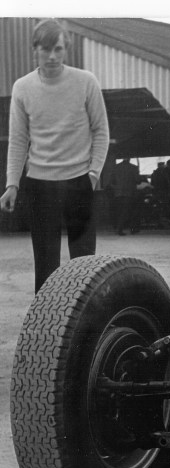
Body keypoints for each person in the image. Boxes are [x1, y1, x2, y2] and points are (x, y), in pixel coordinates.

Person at [0, 18, 109, 293]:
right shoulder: (22, 88)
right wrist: (12, 183)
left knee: (84, 267)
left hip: (79, 182)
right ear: (34, 49)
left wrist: (93, 174)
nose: (52, 56)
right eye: (45, 49)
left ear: (65, 50)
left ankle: (85, 327)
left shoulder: (86, 82)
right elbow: (18, 140)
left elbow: (101, 131)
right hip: (40, 185)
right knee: (46, 266)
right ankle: (46, 328)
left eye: (58, 49)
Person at [111, 157, 141, 236]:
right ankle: (132, 229)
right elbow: (137, 180)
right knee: (131, 211)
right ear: (129, 158)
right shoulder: (134, 167)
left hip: (118, 193)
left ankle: (118, 228)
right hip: (129, 193)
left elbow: (112, 181)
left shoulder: (116, 167)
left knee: (119, 211)